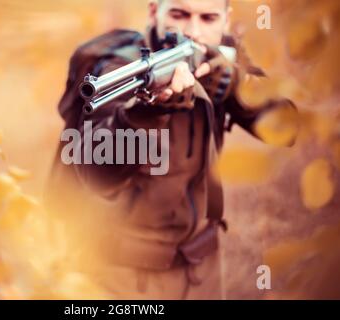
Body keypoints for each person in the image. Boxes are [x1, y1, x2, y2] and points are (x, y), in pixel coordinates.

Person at [45, 0, 296, 299]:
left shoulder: (223, 58)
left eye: (208, 18)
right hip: (119, 279)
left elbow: (288, 131)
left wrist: (238, 88)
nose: (193, 30)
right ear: (154, 12)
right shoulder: (119, 69)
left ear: (226, 20)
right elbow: (97, 174)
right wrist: (143, 115)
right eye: (179, 14)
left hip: (204, 271)